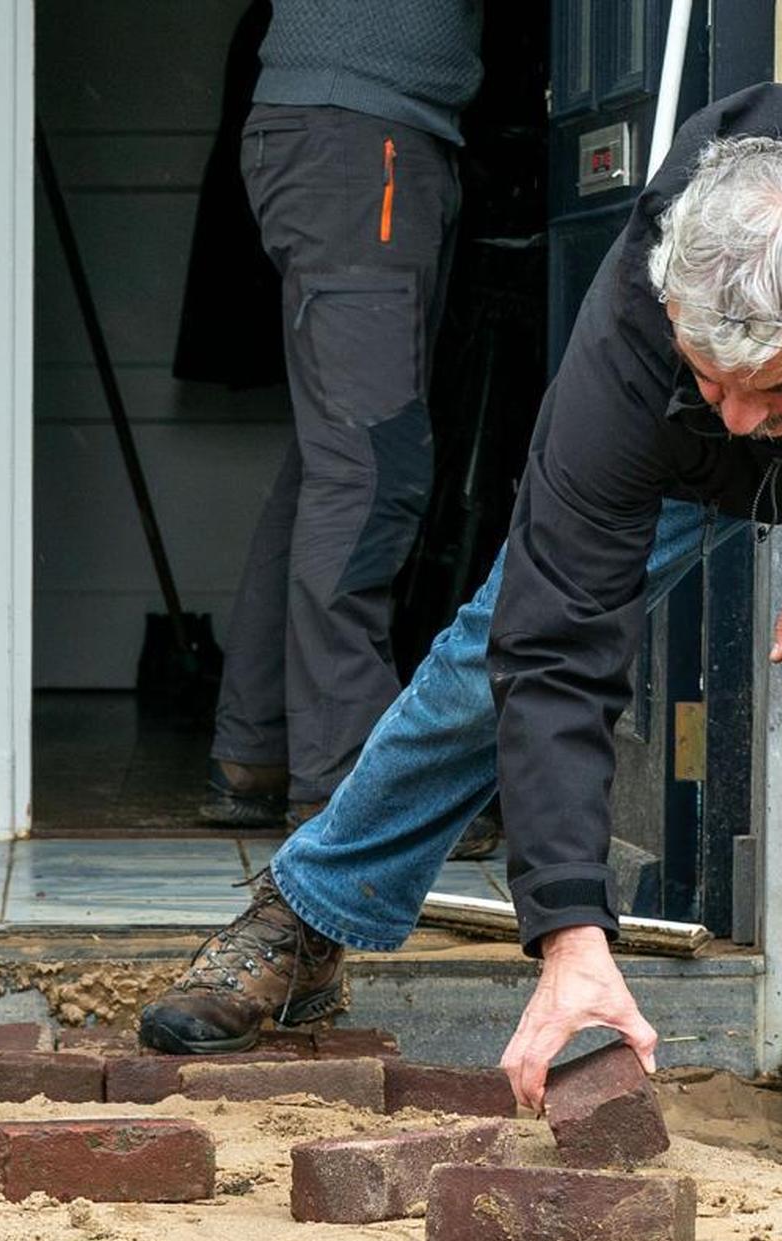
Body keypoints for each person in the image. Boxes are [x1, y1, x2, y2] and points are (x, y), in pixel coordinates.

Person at [138, 83, 782, 1190]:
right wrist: (570, 933)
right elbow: (555, 648)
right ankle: (309, 917)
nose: (743, 415)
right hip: (671, 452)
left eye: (781, 384)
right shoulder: (636, 348)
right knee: (490, 652)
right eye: (715, 379)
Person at [196, 0, 484, 832]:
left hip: (360, 134)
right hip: (361, 140)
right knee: (369, 466)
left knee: (334, 460)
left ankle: (260, 746)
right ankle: (355, 785)